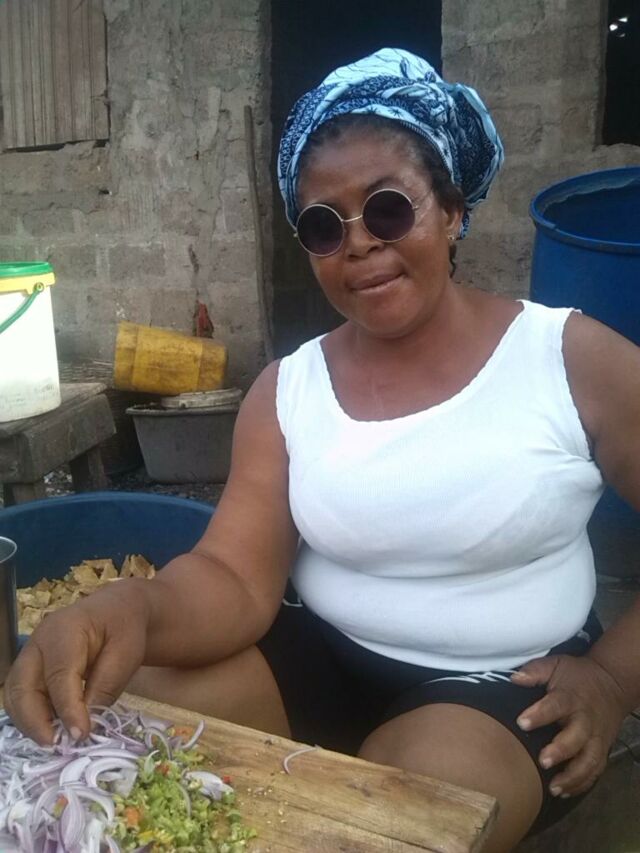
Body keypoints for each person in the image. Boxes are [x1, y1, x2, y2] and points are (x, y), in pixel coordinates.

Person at [5, 48, 640, 852]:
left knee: (397, 820)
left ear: (452, 209)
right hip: (317, 653)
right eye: (322, 225)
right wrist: (128, 607)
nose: (359, 243)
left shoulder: (568, 357)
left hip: (508, 682)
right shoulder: (288, 388)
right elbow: (235, 574)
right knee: (112, 728)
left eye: (388, 208)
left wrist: (613, 678)